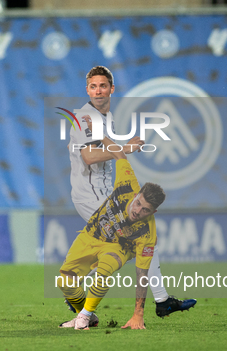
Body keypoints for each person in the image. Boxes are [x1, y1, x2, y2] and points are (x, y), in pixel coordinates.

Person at [65, 66, 194, 324]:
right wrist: (124, 149)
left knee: (137, 243)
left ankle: (78, 292)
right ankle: (160, 301)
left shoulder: (105, 116)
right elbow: (88, 157)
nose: (98, 91)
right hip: (90, 195)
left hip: (103, 193)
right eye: (93, 86)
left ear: (112, 89)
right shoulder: (85, 117)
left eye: (103, 86)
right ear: (87, 90)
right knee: (142, 239)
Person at [59, 141, 196, 330]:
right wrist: (102, 134)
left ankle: (84, 316)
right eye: (138, 203)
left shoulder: (147, 233)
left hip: (117, 247)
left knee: (105, 269)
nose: (138, 211)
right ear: (136, 194)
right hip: (91, 235)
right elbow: (119, 154)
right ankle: (87, 314)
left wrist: (138, 314)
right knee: (64, 282)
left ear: (153, 212)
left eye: (145, 210)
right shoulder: (126, 182)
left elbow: (142, 275)